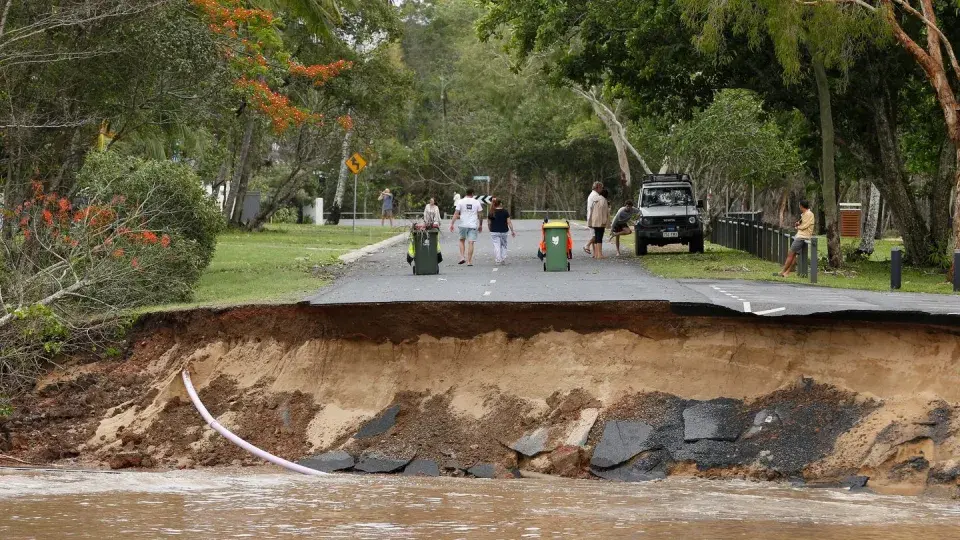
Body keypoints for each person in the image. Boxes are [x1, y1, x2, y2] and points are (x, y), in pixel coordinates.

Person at [777, 199, 815, 277]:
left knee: (790, 254)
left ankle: (783, 271)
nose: (799, 207)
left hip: (802, 236)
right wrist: (798, 223)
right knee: (794, 255)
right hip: (801, 235)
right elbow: (803, 223)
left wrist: (798, 227)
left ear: (801, 206)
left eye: (799, 205)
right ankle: (787, 272)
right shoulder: (804, 214)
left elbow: (805, 225)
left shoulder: (809, 214)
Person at [449, 187, 483, 266]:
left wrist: (452, 224)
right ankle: (469, 261)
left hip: (463, 224)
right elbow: (480, 215)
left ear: (466, 193)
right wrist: (480, 225)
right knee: (471, 242)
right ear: (473, 193)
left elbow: (456, 213)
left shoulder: (460, 201)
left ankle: (462, 257)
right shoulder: (476, 202)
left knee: (461, 240)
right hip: (473, 225)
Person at [488, 198, 515, 265]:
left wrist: (490, 229)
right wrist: (512, 231)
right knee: (504, 245)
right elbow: (509, 222)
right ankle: (503, 258)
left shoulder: (491, 212)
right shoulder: (505, 212)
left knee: (496, 245)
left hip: (494, 231)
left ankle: (498, 259)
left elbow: (489, 223)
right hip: (504, 231)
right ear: (500, 204)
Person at [587, 188, 610, 259]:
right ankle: (600, 254)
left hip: (594, 220)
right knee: (600, 237)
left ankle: (596, 254)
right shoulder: (604, 200)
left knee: (596, 237)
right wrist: (606, 221)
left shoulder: (595, 199)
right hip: (601, 221)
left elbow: (591, 209)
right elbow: (604, 212)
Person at [584, 182, 603, 255]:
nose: (602, 189)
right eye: (601, 188)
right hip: (593, 217)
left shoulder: (592, 194)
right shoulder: (595, 195)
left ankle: (595, 253)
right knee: (596, 235)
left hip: (590, 216)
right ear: (597, 187)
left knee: (593, 234)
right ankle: (587, 245)